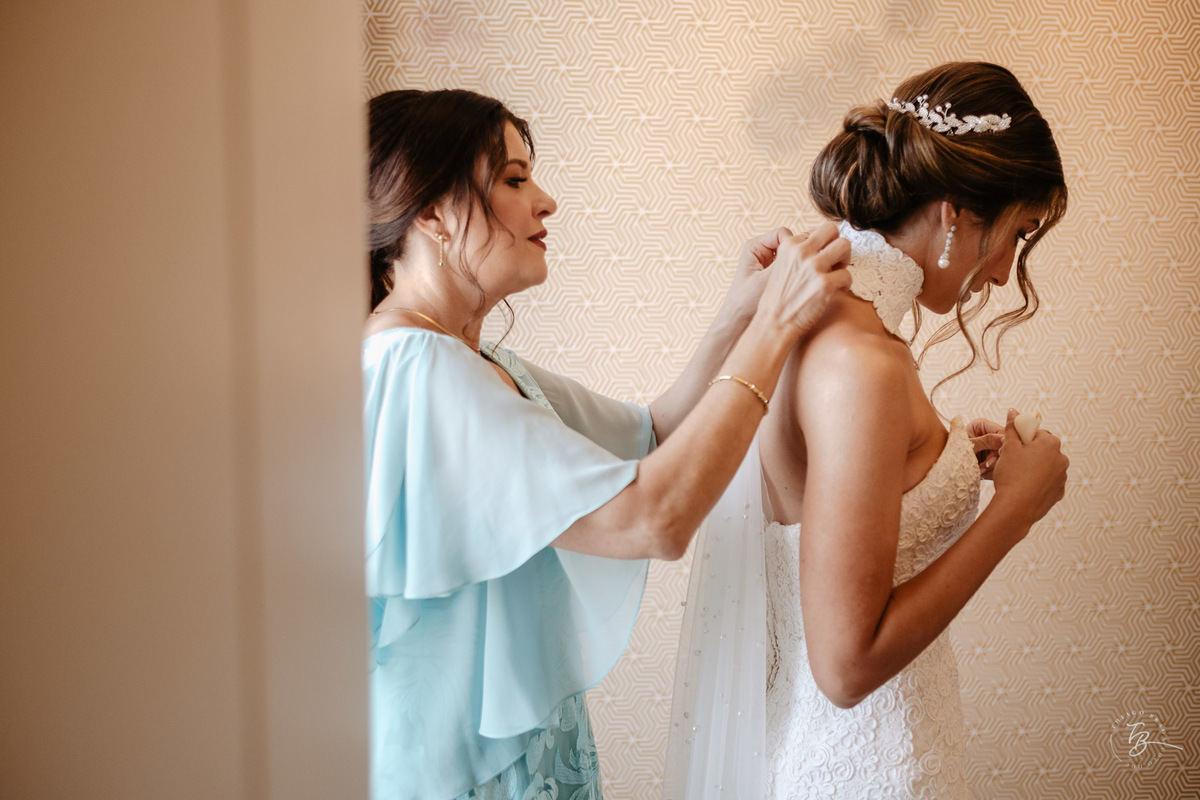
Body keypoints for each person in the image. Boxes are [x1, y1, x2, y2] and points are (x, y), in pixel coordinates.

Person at [362, 88, 851, 800]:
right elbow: (652, 516)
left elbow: (651, 435)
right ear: (432, 211)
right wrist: (774, 331)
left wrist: (738, 316)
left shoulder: (466, 360)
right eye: (514, 179)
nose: (547, 202)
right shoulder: (422, 370)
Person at [664, 62, 1071, 798]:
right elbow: (847, 666)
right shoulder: (864, 361)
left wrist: (947, 464)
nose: (1007, 274)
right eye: (1015, 234)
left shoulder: (827, 318)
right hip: (874, 765)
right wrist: (1016, 510)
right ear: (955, 215)